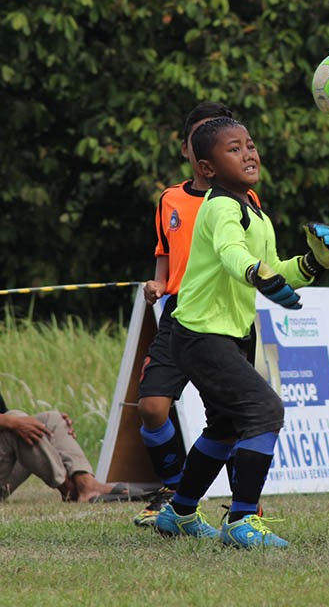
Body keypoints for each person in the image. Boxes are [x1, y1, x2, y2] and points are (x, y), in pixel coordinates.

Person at [153, 115, 329, 549]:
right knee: (266, 411)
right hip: (201, 333)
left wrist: (313, 265)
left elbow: (275, 269)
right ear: (207, 168)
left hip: (227, 334)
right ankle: (241, 520)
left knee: (224, 427)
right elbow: (231, 252)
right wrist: (258, 273)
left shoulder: (256, 211)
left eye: (250, 144)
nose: (248, 153)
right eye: (233, 148)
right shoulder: (220, 205)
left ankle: (178, 514)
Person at [134, 101, 262, 527]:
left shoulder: (244, 198)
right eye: (218, 140)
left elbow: (250, 256)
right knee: (153, 407)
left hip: (226, 320)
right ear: (192, 150)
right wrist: (158, 284)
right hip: (180, 315)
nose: (239, 153)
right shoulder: (170, 198)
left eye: (242, 144)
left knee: (228, 417)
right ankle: (175, 492)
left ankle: (243, 505)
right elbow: (165, 254)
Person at [0, 296, 129, 503]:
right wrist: (15, 422)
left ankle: (86, 482)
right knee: (16, 421)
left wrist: (52, 433)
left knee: (52, 419)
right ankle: (70, 488)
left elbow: (9, 434)